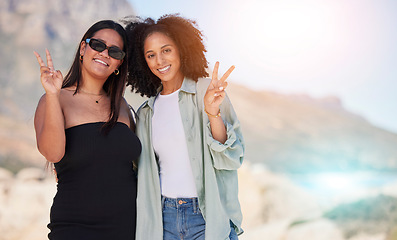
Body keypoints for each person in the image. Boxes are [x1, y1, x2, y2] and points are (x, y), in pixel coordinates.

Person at [125, 14, 244, 240]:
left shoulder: (206, 92)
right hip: (164, 221)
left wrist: (212, 112)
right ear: (144, 62)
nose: (159, 60)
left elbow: (230, 157)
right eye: (151, 55)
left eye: (166, 50)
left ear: (181, 49)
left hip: (207, 218)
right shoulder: (146, 113)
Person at [33, 20, 141, 239]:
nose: (105, 54)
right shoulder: (54, 99)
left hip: (128, 229)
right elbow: (53, 153)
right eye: (98, 45)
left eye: (115, 51)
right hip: (75, 229)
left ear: (120, 63)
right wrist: (53, 95)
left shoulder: (121, 105)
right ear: (83, 48)